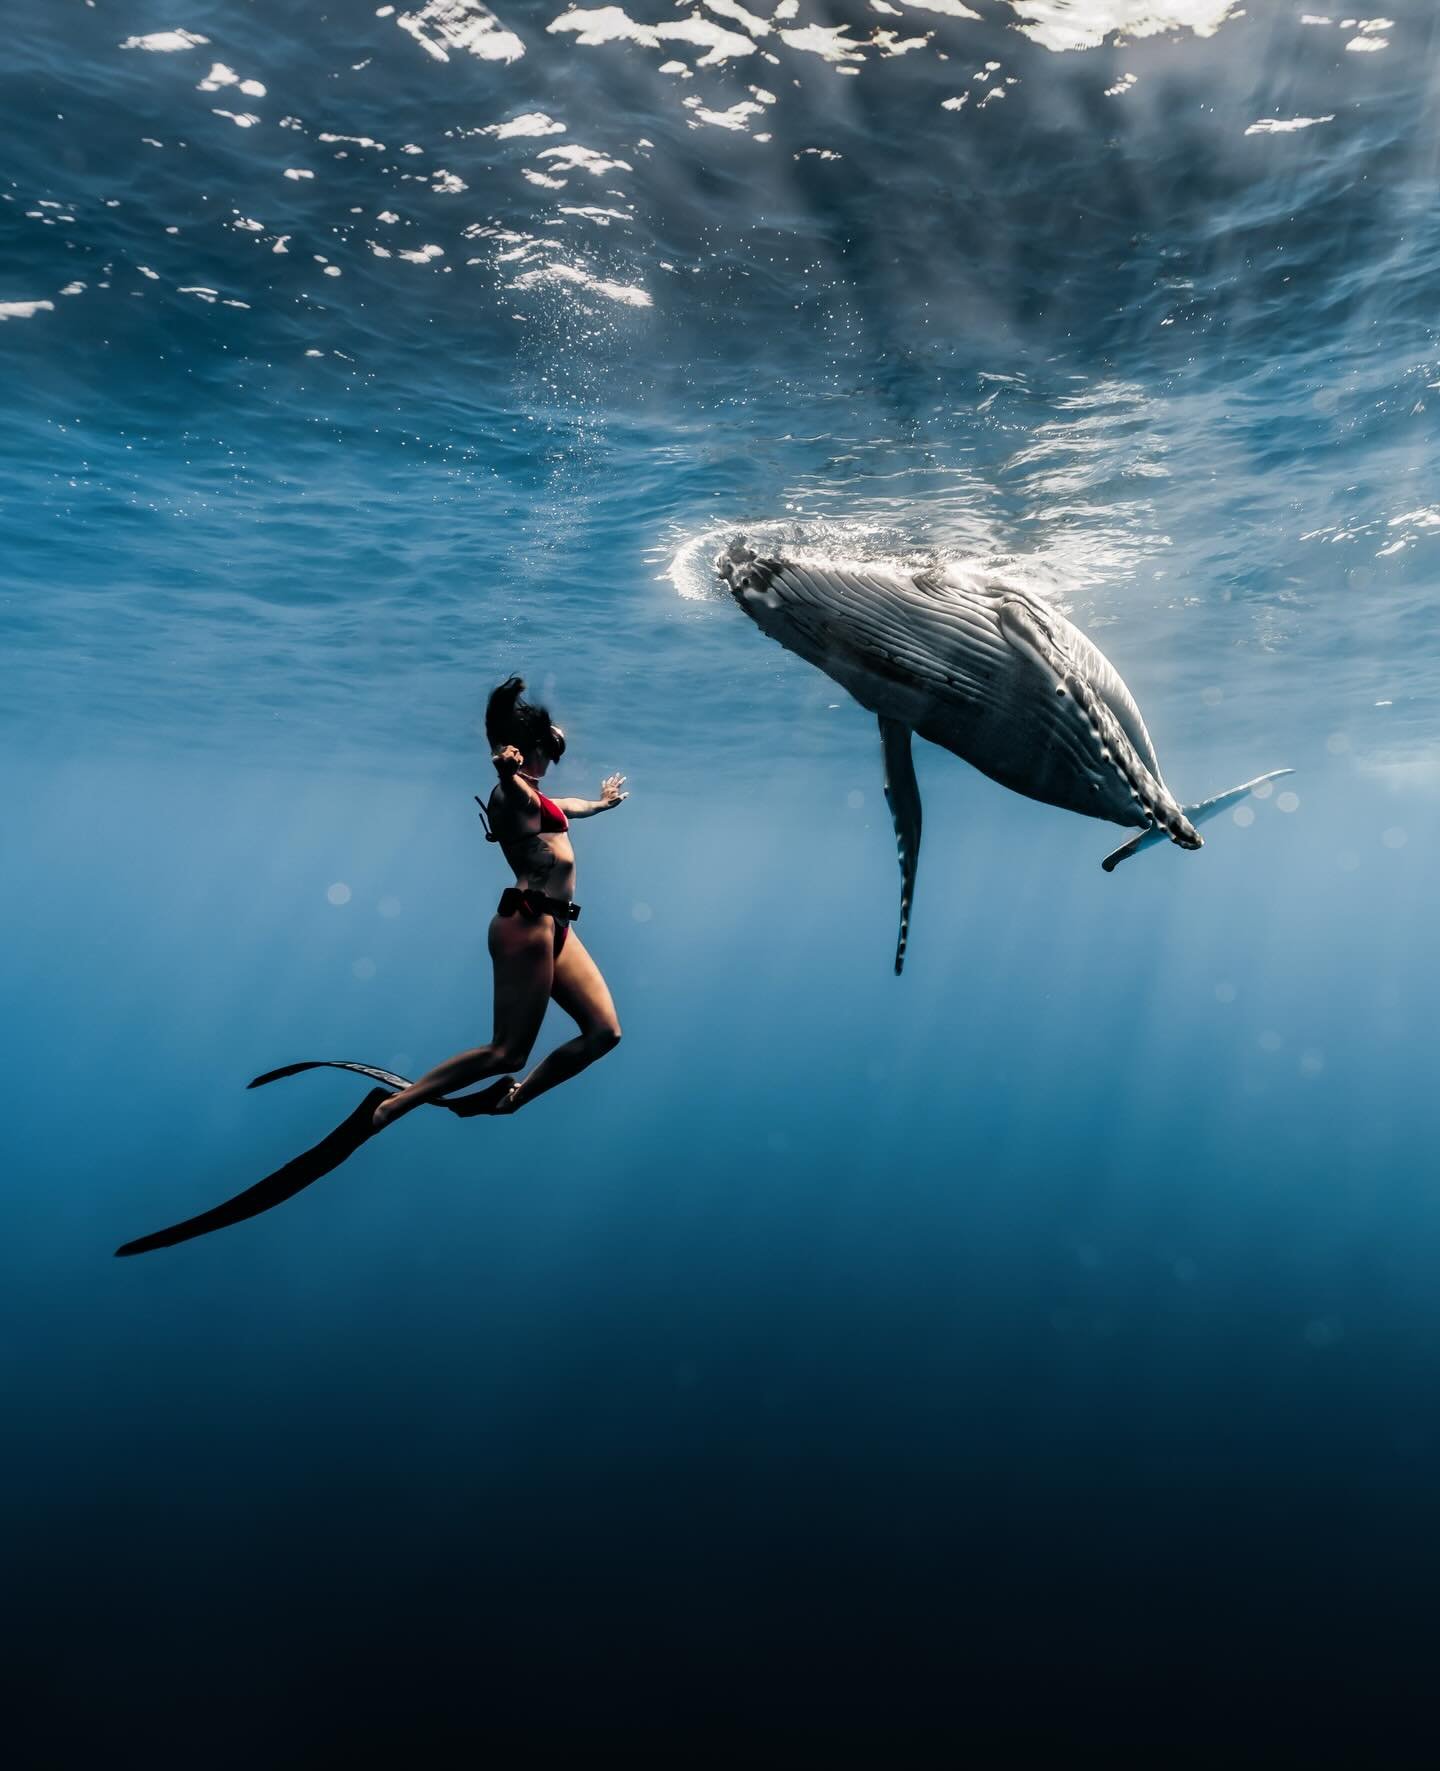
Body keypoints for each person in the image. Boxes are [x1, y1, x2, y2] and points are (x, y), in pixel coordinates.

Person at [371, 677, 626, 1129]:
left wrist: (601, 805)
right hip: (525, 923)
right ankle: (391, 1107)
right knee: (506, 1052)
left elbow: (564, 805)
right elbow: (508, 792)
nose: (552, 759)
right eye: (547, 750)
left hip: (555, 926)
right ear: (527, 749)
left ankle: (511, 1100)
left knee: (604, 1033)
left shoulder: (537, 796)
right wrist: (503, 769)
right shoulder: (510, 793)